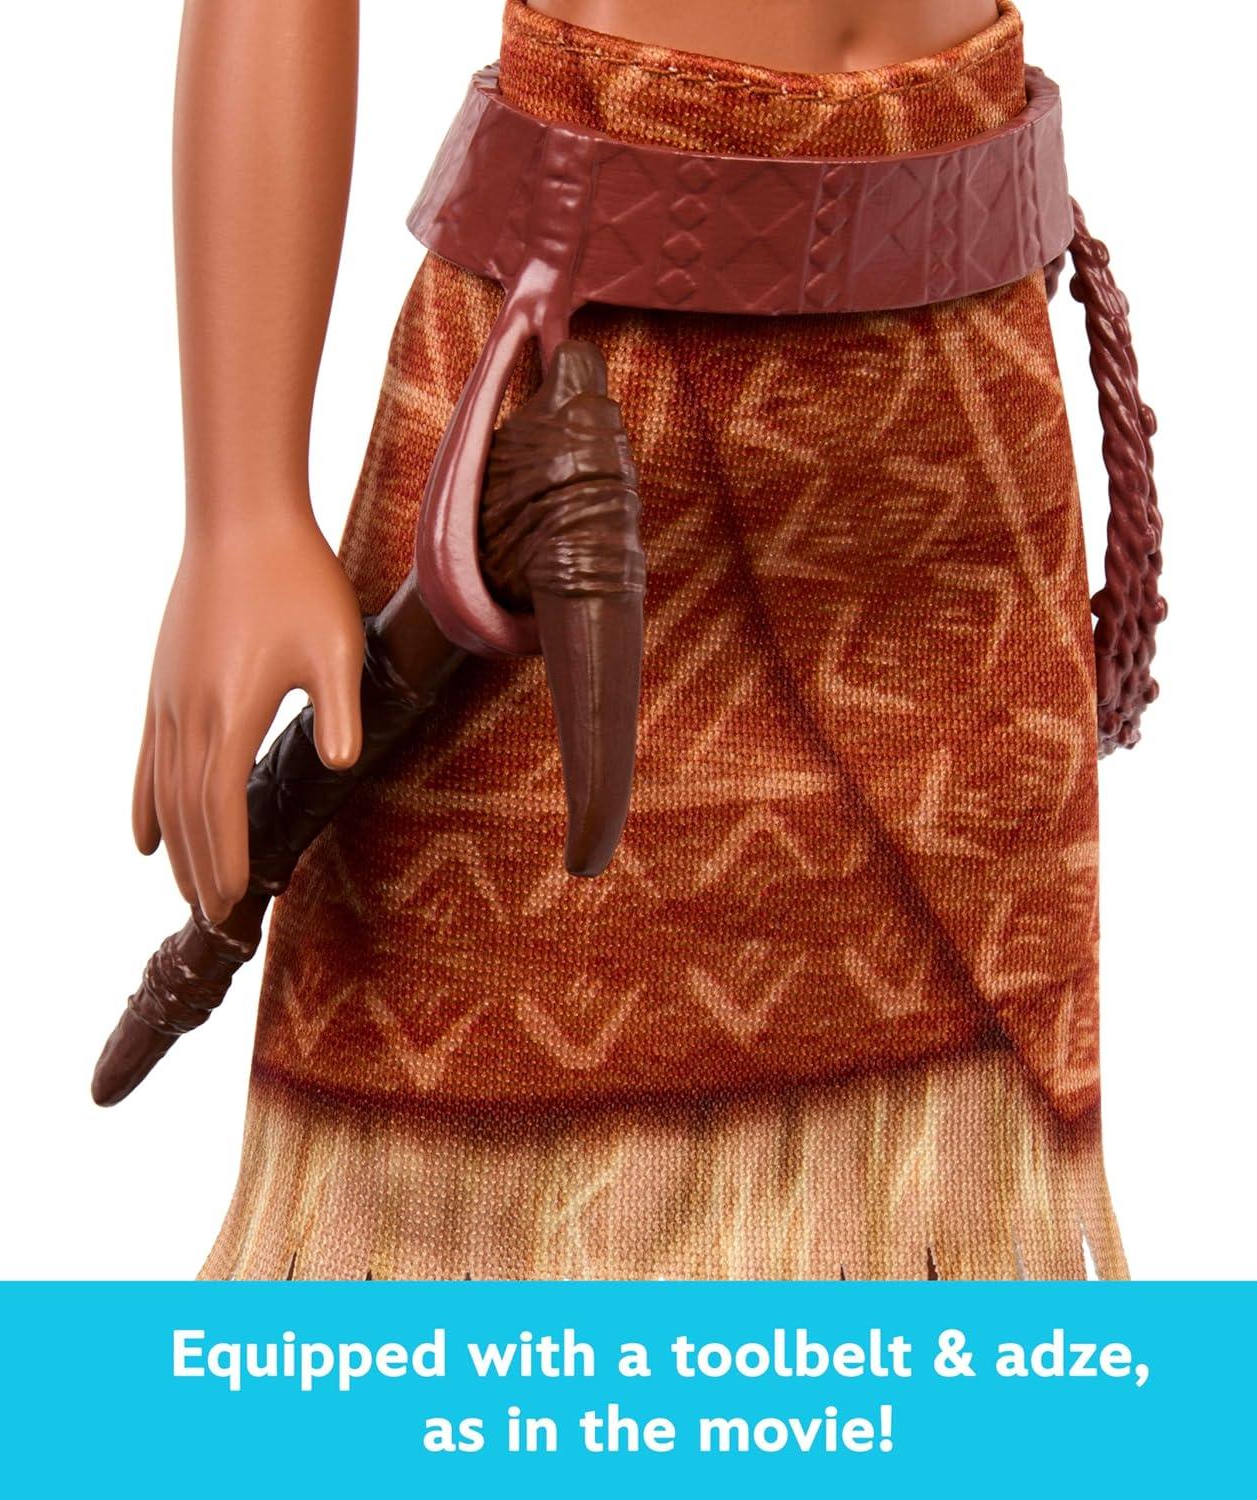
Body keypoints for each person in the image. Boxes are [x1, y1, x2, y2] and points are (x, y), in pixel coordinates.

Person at [134, 0, 1134, 1279]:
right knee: (437, 1255)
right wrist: (240, 511)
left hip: (954, 416)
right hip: (571, 391)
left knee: (952, 1249)